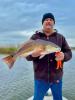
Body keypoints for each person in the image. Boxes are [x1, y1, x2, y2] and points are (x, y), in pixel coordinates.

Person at [26, 13, 72, 100]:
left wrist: (63, 56)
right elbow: (27, 57)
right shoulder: (35, 37)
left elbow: (69, 53)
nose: (48, 21)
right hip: (40, 78)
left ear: (54, 23)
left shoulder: (61, 38)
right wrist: (33, 55)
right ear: (42, 23)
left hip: (57, 78)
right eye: (46, 20)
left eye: (51, 20)